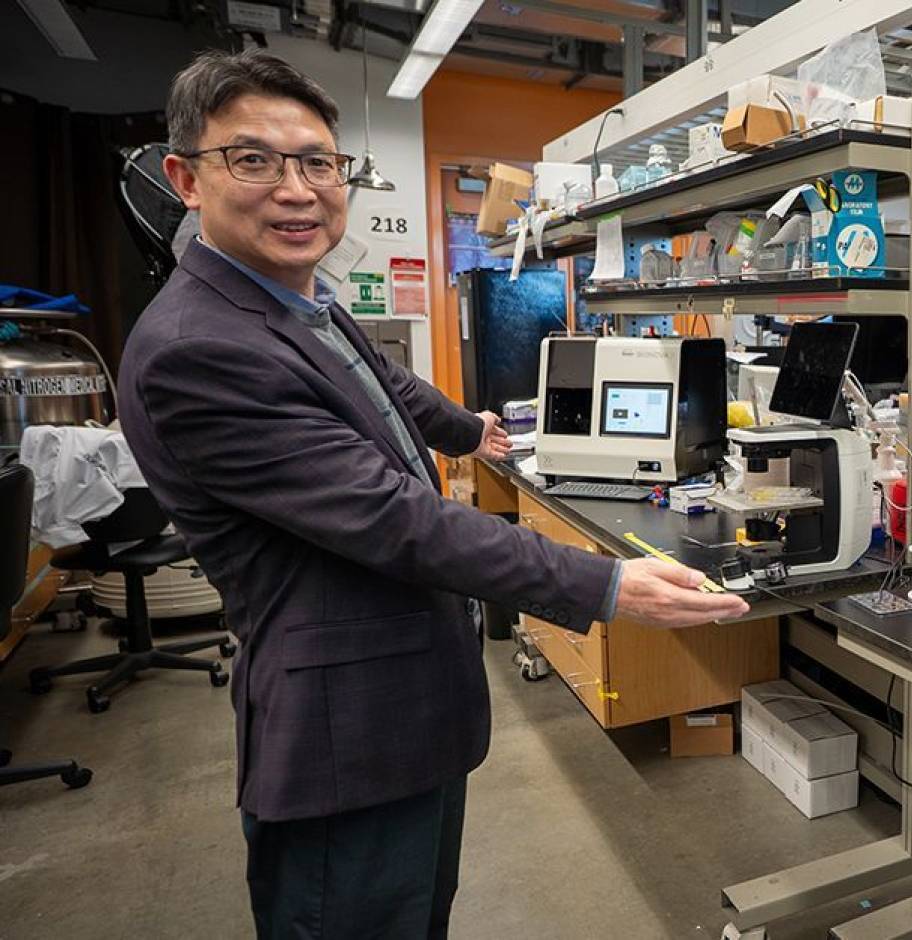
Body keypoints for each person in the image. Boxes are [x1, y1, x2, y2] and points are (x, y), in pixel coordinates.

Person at [117, 49, 749, 939]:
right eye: (252, 159)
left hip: (401, 712)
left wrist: (470, 430)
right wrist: (604, 584)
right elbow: (395, 520)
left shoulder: (292, 296)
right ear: (186, 177)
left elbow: (380, 381)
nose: (295, 189)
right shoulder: (200, 347)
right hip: (349, 735)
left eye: (317, 162)